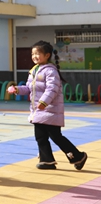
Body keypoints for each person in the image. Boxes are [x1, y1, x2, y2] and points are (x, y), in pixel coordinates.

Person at [10, 40, 87, 171]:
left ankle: (78, 156)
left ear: (47, 55)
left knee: (56, 136)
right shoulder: (34, 70)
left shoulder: (50, 71)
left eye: (37, 54)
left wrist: (44, 102)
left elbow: (53, 89)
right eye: (32, 54)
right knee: (40, 136)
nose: (34, 56)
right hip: (38, 111)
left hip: (50, 110)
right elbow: (29, 88)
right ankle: (47, 160)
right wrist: (17, 89)